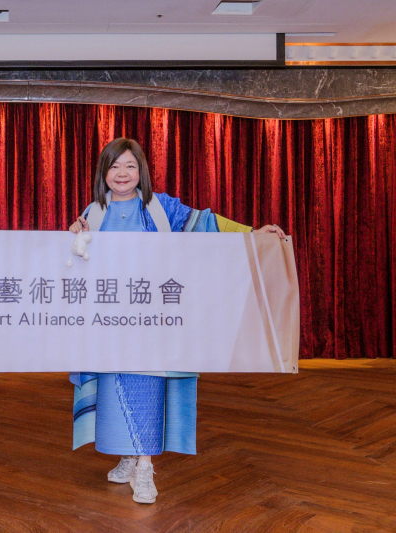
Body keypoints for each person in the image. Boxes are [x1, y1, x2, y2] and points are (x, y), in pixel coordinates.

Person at [68, 137, 285, 504]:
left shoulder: (160, 207)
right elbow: (78, 261)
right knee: (115, 388)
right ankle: (129, 455)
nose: (122, 173)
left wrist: (250, 233)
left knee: (147, 387)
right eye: (114, 166)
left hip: (153, 320)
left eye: (130, 166)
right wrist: (74, 235)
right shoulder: (93, 212)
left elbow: (207, 223)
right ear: (103, 173)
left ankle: (145, 467)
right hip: (109, 322)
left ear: (141, 171)